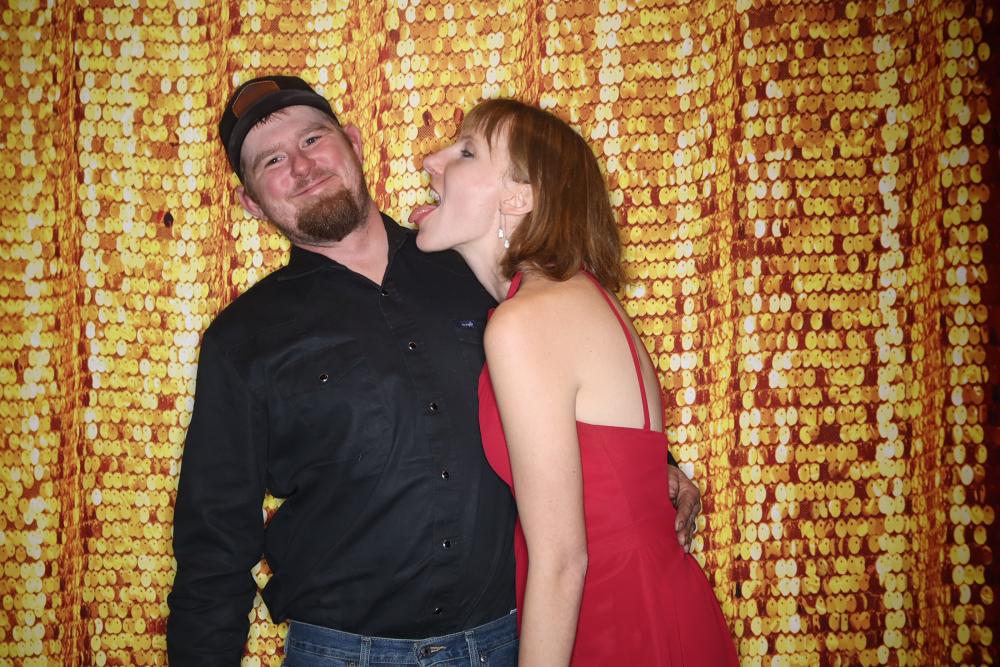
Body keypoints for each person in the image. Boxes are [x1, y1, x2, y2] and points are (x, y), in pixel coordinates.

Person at [166, 75, 703, 666]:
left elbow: (569, 370)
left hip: (512, 641)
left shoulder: (477, 268)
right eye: (271, 160)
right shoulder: (241, 339)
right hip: (344, 652)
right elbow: (214, 540)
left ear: (353, 143)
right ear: (250, 202)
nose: (301, 165)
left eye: (313, 139)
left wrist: (652, 466)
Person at [413, 99, 738, 666]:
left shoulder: (525, 321)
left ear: (519, 197)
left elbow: (563, 560)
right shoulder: (578, 297)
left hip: (611, 620)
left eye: (465, 152)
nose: (429, 161)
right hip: (655, 603)